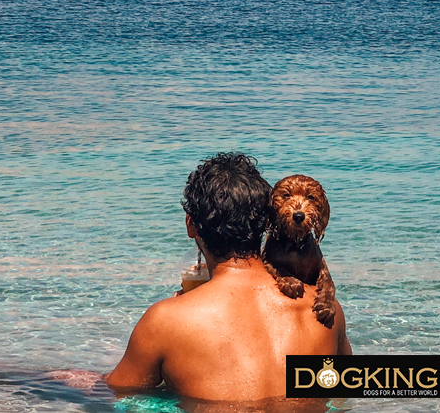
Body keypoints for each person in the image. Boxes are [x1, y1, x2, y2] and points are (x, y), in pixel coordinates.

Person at [105, 153, 351, 401]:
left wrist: (73, 379)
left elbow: (118, 395)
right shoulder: (326, 312)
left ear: (191, 225)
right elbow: (348, 391)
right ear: (268, 219)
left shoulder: (164, 321)